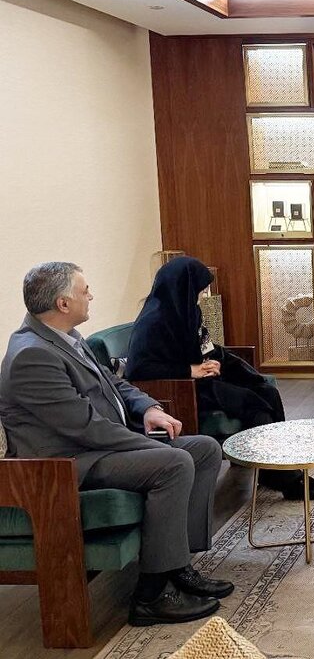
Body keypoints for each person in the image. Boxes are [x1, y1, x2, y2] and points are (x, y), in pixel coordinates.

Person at [0, 262, 234, 626]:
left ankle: (177, 566)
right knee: (173, 463)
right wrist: (147, 445)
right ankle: (150, 596)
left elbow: (114, 383)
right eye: (85, 291)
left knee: (204, 449)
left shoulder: (65, 336)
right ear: (63, 303)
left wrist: (149, 407)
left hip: (98, 445)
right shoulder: (32, 355)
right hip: (67, 463)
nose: (91, 296)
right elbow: (85, 427)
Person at [125, 257, 314, 501]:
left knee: (266, 391)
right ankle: (285, 479)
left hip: (203, 381)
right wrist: (190, 370)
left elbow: (205, 346)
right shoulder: (154, 321)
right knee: (255, 407)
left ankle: (277, 467)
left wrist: (215, 361)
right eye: (200, 290)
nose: (202, 295)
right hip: (184, 391)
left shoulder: (188, 311)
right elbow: (138, 369)